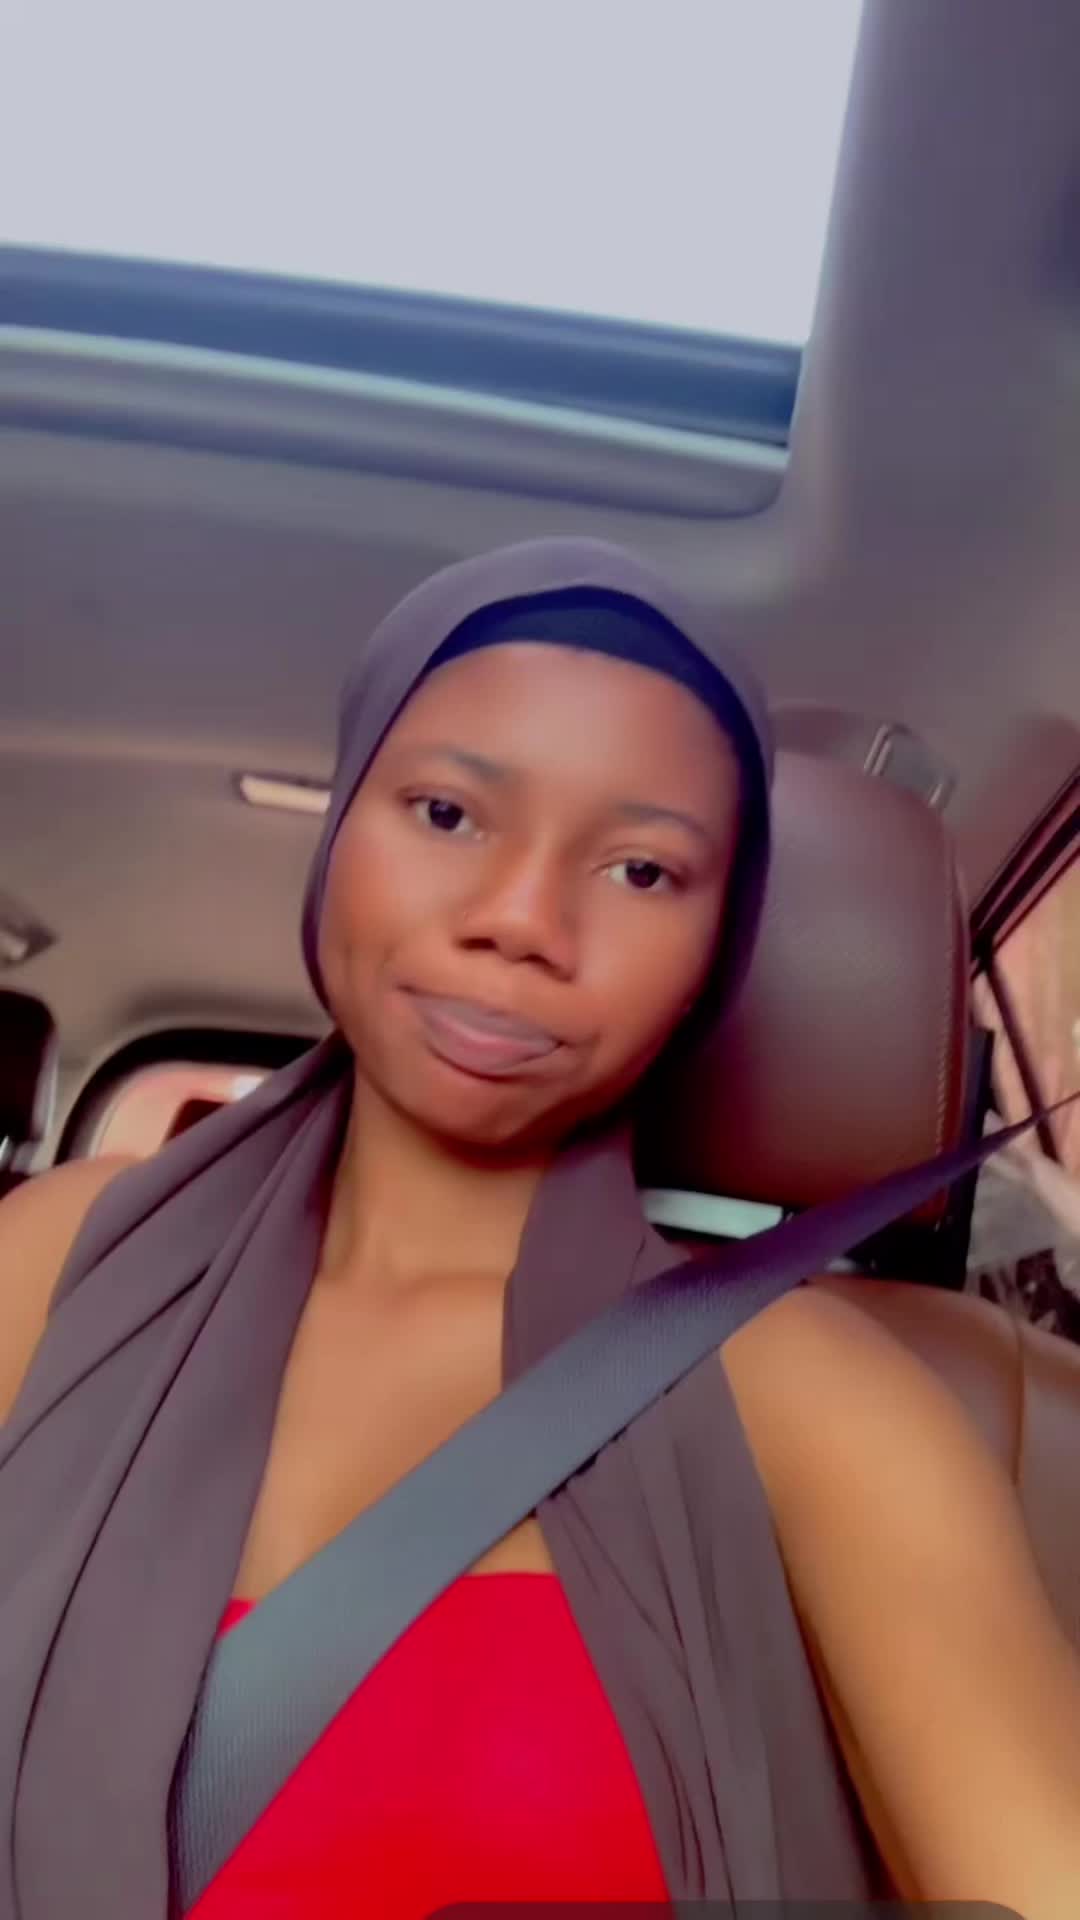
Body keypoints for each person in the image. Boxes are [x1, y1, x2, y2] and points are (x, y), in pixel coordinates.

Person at [1, 538, 1078, 1920]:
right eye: (448, 813)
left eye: (642, 872)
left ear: (720, 945)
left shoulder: (819, 1403)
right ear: (340, 829)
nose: (521, 921)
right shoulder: (57, 1260)